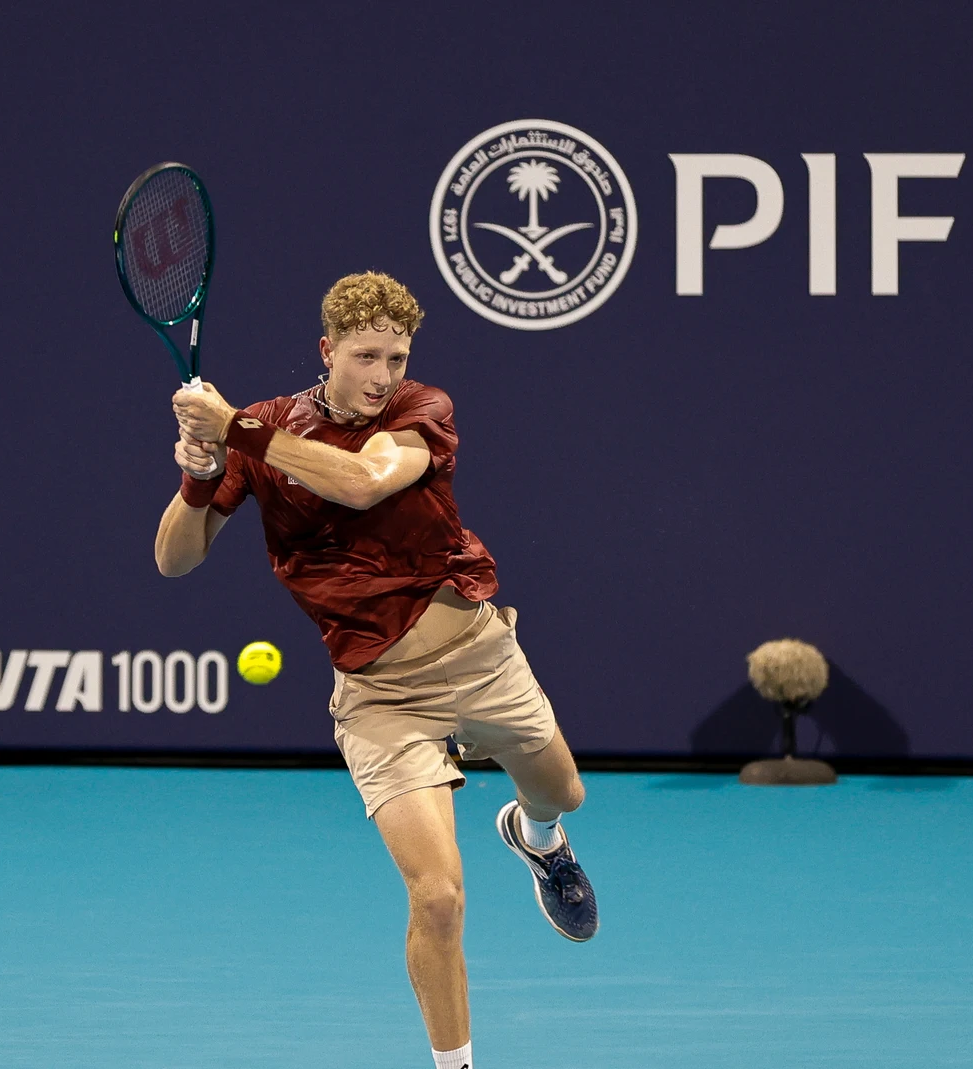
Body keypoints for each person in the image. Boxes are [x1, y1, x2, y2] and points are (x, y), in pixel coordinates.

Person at [156, 271, 595, 1069]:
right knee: (437, 895)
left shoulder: (421, 411)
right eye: (366, 356)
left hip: (481, 656)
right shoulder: (267, 430)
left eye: (396, 355)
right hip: (379, 695)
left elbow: (362, 481)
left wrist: (237, 430)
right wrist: (198, 469)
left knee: (563, 789)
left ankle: (538, 837)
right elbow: (174, 559)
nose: (384, 375)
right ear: (328, 352)